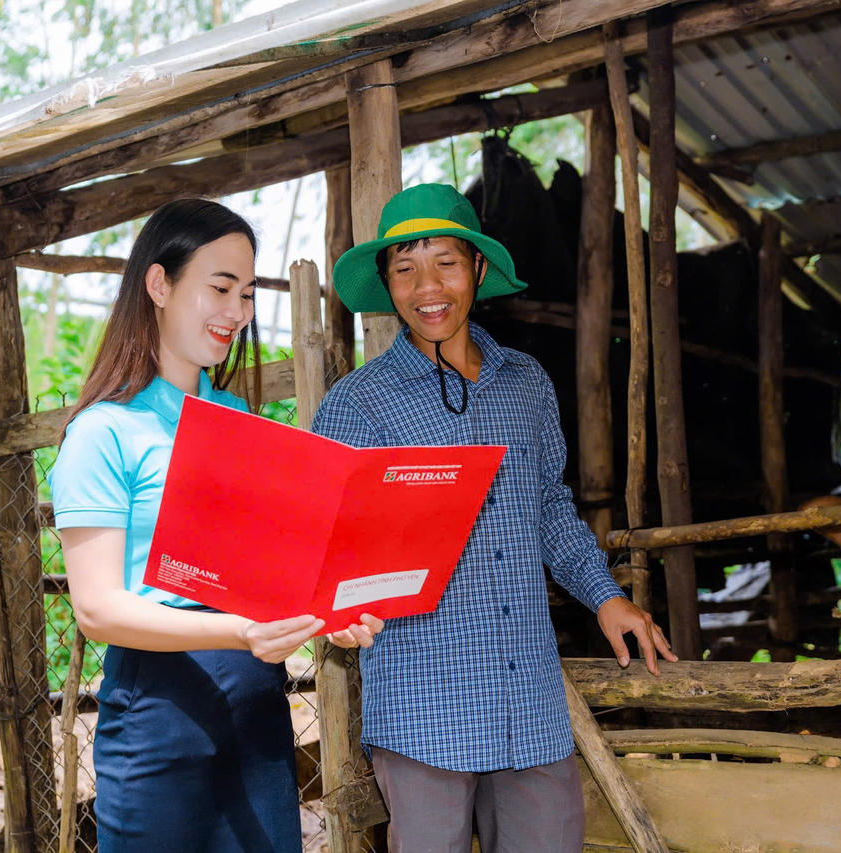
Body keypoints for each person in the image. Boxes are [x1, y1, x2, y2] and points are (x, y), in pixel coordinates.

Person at [311, 183, 676, 853]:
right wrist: (338, 611)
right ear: (386, 283)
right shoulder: (355, 408)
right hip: (425, 707)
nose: (429, 286)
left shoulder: (527, 383)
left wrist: (606, 598)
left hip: (527, 699)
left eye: (446, 262)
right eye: (405, 268)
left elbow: (550, 509)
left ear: (478, 269)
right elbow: (328, 548)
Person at [50, 198, 382, 853]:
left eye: (249, 293)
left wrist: (332, 608)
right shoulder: (102, 432)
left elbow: (274, 575)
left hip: (257, 711)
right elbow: (96, 609)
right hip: (159, 719)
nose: (238, 311)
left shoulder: (240, 421)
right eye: (221, 287)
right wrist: (238, 630)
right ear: (159, 284)